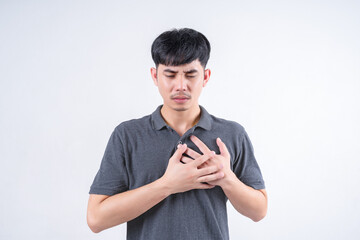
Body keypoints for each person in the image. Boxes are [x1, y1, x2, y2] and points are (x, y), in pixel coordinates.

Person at [87, 28, 267, 239]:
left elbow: (259, 211)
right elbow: (96, 219)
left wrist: (227, 179)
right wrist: (167, 185)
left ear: (205, 76)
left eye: (191, 74)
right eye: (170, 75)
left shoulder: (232, 134)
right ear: (155, 76)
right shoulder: (127, 135)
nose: (180, 86)